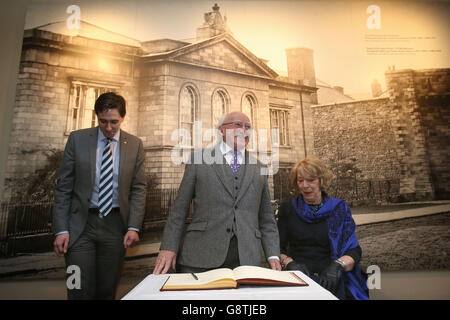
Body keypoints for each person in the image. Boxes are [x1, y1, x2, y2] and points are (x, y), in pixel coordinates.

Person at [153, 111, 281, 274]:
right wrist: (169, 247)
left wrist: (273, 255)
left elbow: (267, 219)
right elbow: (179, 211)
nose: (243, 129)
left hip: (246, 261)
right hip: (200, 257)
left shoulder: (261, 168)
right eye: (237, 125)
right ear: (221, 131)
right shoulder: (198, 161)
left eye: (248, 126)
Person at [52, 92, 146, 299]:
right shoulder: (77, 139)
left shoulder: (135, 145)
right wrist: (61, 230)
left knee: (106, 291)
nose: (109, 128)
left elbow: (139, 188)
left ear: (123, 118)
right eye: (103, 121)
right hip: (79, 228)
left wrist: (133, 226)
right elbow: (63, 188)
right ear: (97, 117)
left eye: (114, 122)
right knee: (77, 288)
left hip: (114, 228)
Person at [277, 156, 369, 300]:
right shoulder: (288, 209)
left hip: (332, 278)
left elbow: (355, 250)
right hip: (299, 278)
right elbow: (278, 248)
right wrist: (289, 263)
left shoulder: (339, 208)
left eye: (310, 180)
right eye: (300, 180)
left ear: (321, 181)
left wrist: (338, 266)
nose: (304, 185)